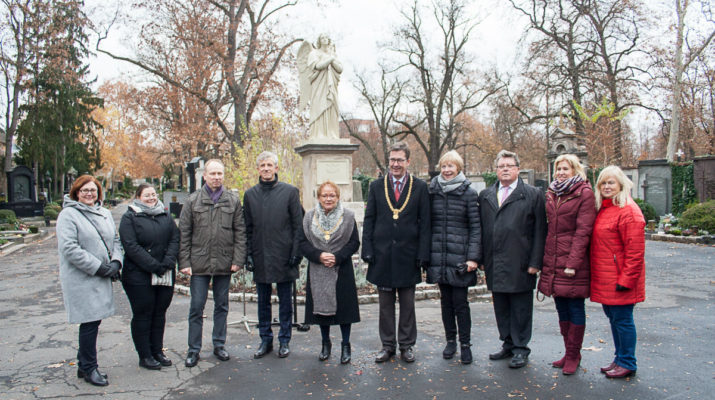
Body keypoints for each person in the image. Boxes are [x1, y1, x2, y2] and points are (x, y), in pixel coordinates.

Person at [362, 141, 430, 363]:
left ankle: (407, 345)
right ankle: (387, 345)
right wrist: (368, 250)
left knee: (408, 304)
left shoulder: (419, 187)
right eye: (392, 159)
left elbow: (425, 223)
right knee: (385, 305)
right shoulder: (376, 186)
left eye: (400, 160)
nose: (395, 164)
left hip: (408, 256)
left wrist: (423, 254)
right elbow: (369, 220)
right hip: (382, 256)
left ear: (408, 161)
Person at [478, 150, 547, 369]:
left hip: (521, 260)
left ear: (518, 168)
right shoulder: (486, 195)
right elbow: (481, 229)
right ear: (496, 170)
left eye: (509, 165)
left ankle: (520, 348)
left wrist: (536, 262)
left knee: (520, 307)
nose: (505, 169)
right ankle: (507, 343)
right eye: (501, 166)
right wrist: (481, 258)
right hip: (495, 260)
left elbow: (540, 230)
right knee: (501, 306)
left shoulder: (532, 194)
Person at [179, 159, 247, 368]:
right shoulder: (192, 201)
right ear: (205, 176)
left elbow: (240, 233)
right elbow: (184, 233)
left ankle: (219, 344)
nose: (217, 177)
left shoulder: (232, 201)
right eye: (213, 173)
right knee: (196, 307)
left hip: (224, 263)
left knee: (222, 306)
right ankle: (194, 349)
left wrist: (237, 260)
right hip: (198, 264)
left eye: (220, 173)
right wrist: (184, 261)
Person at [56, 175, 123, 386]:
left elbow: (115, 240)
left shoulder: (104, 213)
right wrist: (98, 267)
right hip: (82, 277)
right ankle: (89, 368)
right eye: (85, 190)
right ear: (76, 192)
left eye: (93, 190)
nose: (89, 194)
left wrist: (116, 262)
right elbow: (69, 248)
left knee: (94, 320)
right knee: (89, 322)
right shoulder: (68, 215)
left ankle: (83, 364)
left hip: (102, 275)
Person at [538, 154, 596, 375]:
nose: (561, 172)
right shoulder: (553, 192)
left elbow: (583, 231)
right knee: (561, 306)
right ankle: (569, 352)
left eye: (565, 169)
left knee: (575, 307)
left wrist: (572, 263)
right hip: (554, 259)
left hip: (573, 262)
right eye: (558, 169)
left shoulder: (584, 193)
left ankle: (574, 355)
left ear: (575, 170)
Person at [244, 151, 303, 359]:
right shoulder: (250, 195)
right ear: (258, 169)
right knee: (263, 302)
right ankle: (265, 339)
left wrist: (297, 253)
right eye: (262, 165)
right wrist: (248, 255)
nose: (266, 169)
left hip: (285, 255)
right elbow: (248, 228)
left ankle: (284, 339)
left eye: (270, 165)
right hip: (261, 255)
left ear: (276, 168)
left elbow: (298, 226)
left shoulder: (290, 192)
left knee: (286, 302)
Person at [426, 150, 481, 365]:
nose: (447, 170)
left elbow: (476, 228)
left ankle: (465, 344)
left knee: (460, 303)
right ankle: (450, 341)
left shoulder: (469, 193)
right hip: (439, 255)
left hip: (461, 256)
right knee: (445, 302)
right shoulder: (433, 190)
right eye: (444, 166)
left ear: (458, 168)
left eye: (451, 166)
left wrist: (473, 258)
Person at [590, 166, 645, 379]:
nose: (606, 186)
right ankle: (619, 358)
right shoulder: (606, 208)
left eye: (611, 182)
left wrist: (626, 280)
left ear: (621, 184)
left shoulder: (629, 211)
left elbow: (635, 251)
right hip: (606, 277)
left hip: (620, 279)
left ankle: (628, 362)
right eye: (603, 183)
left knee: (623, 320)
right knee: (614, 320)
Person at [119, 183, 180, 370]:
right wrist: (153, 265)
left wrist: (168, 261)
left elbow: (174, 238)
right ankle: (145, 355)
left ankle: (157, 351)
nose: (151, 198)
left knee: (159, 313)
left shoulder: (165, 215)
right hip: (139, 275)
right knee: (143, 314)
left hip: (164, 273)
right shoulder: (129, 217)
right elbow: (131, 246)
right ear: (138, 197)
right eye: (147, 195)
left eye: (153, 194)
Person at [299, 181, 360, 364]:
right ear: (318, 197)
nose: (328, 198)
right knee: (321, 312)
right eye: (324, 195)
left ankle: (346, 345)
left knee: (344, 311)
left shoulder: (348, 217)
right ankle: (325, 344)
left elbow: (354, 242)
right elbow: (302, 243)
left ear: (338, 197)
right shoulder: (309, 217)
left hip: (342, 269)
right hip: (318, 269)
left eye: (332, 195)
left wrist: (338, 257)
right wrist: (318, 255)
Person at [297, 34, 343, 140]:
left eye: (326, 37)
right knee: (319, 106)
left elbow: (340, 69)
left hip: (330, 86)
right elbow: (317, 66)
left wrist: (331, 59)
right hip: (319, 86)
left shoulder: (332, 54)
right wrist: (330, 59)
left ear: (329, 40)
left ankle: (331, 133)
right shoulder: (314, 53)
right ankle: (319, 134)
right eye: (322, 38)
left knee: (331, 106)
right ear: (319, 40)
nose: (324, 39)